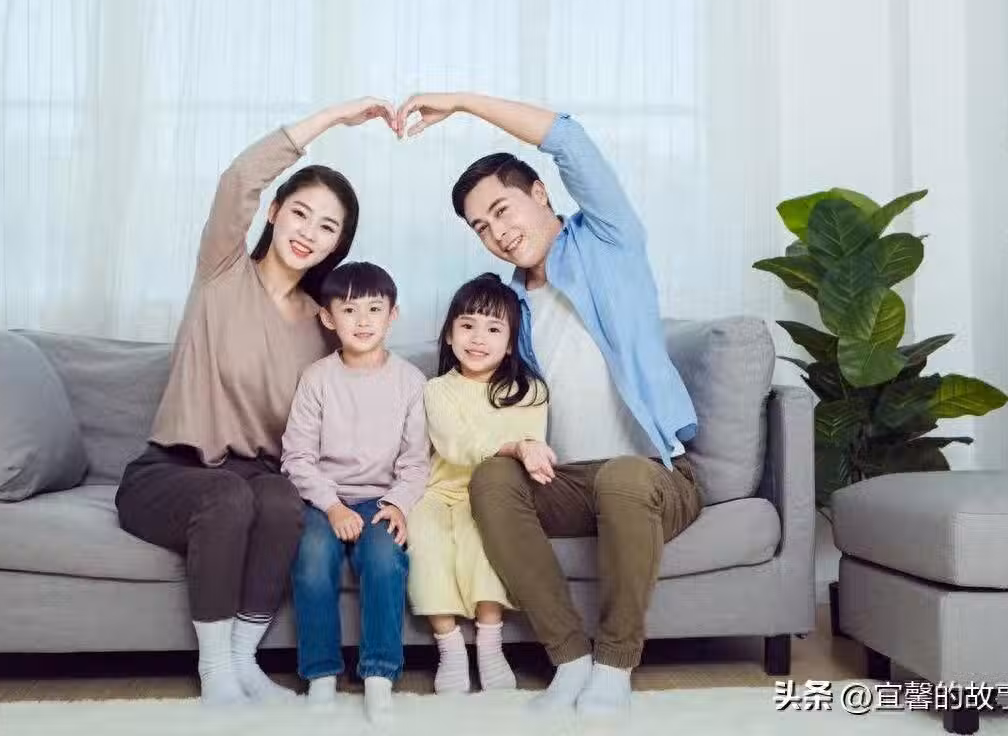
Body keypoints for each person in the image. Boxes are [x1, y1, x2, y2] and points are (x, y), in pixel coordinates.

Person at [394, 93, 704, 716]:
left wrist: (461, 102)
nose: (498, 233)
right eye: (481, 228)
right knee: (491, 477)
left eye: (501, 210)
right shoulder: (508, 309)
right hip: (562, 483)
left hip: (652, 476)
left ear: (539, 193)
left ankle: (614, 664)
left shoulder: (609, 240)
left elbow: (568, 138)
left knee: (622, 477)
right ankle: (570, 659)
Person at [114, 98, 399, 706]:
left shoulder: (324, 323)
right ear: (273, 212)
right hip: (170, 472)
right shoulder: (222, 271)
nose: (309, 233)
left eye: (328, 227)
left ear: (337, 246)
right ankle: (217, 671)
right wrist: (334, 118)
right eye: (300, 213)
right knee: (228, 496)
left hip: (260, 478)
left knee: (278, 500)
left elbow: (361, 392)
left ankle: (245, 662)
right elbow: (238, 178)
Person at [281, 261, 430, 723]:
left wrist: (398, 504)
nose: (362, 320)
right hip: (323, 498)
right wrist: (331, 506)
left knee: (385, 559)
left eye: (374, 309)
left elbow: (416, 462)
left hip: (381, 499)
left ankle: (379, 675)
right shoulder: (317, 378)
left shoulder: (411, 382)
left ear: (392, 315)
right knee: (311, 558)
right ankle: (321, 674)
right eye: (348, 310)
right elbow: (297, 457)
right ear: (328, 318)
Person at [406, 273, 551, 695]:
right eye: (467, 325)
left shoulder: (530, 391)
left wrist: (521, 449)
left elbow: (530, 450)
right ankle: (449, 645)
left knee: (484, 537)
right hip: (438, 491)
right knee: (425, 539)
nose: (477, 338)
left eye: (493, 329)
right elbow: (455, 442)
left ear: (510, 343)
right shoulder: (436, 390)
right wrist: (512, 445)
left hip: (496, 497)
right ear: (449, 335)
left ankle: (490, 643)